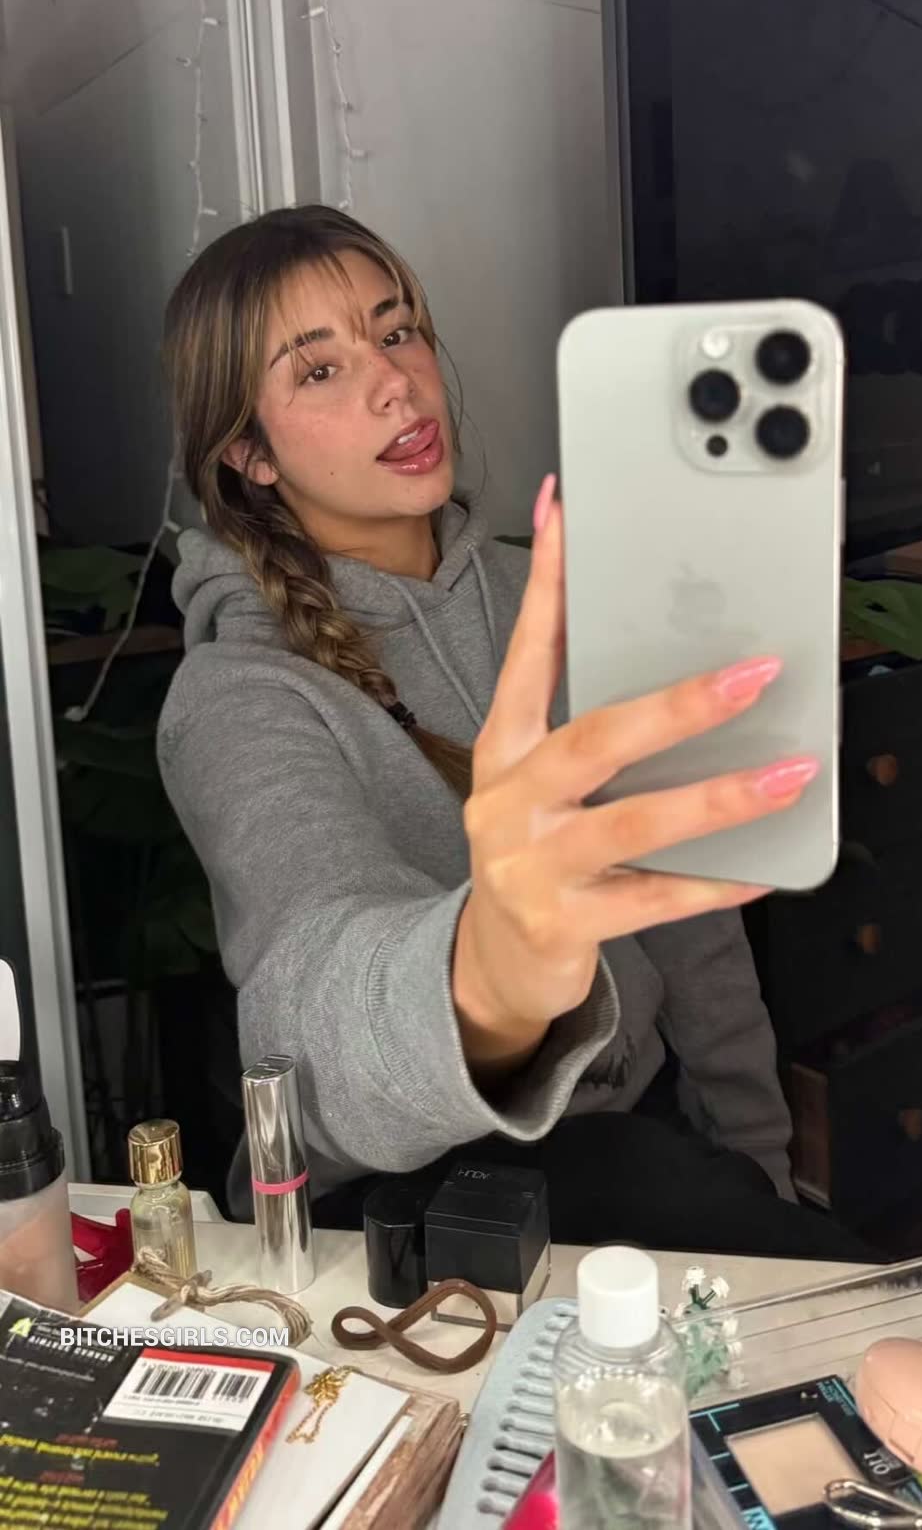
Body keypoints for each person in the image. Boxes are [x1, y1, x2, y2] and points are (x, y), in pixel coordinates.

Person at [158, 205, 868, 1259]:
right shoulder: (237, 694)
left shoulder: (562, 599)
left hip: (644, 1157)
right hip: (407, 1223)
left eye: (397, 330)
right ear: (250, 453)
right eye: (320, 370)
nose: (394, 381)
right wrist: (489, 977)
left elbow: (693, 933)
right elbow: (304, 986)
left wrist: (760, 1170)